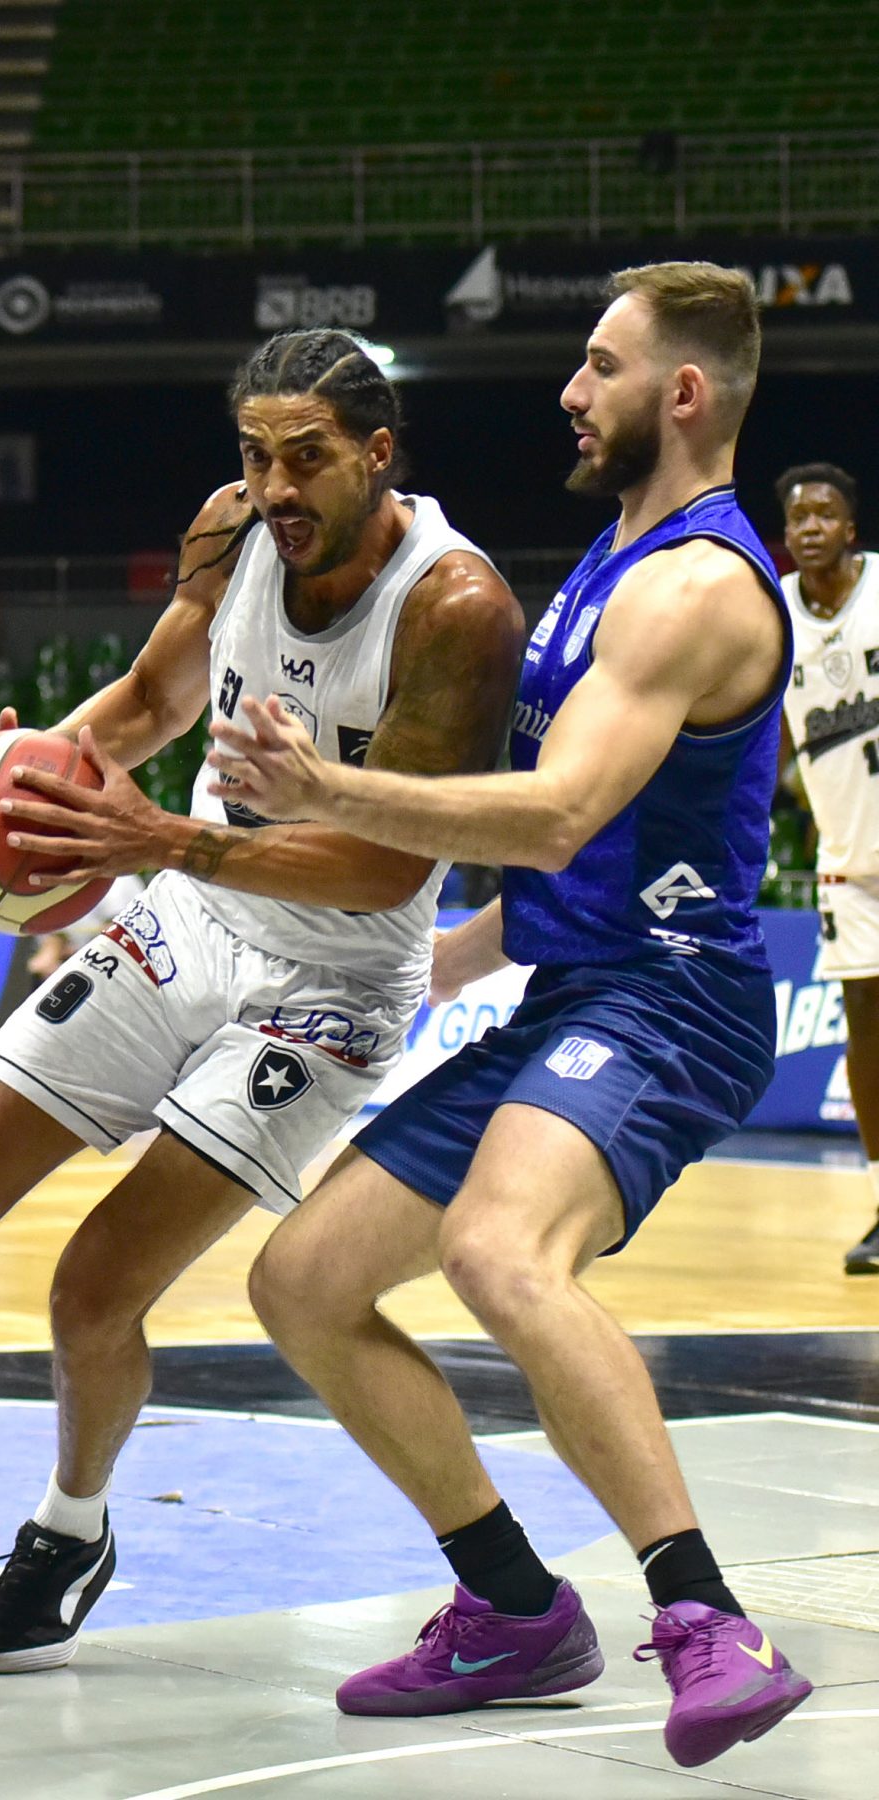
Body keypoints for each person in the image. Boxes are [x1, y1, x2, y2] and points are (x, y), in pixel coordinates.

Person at [0, 331, 523, 1676]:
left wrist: (158, 839)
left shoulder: (456, 607)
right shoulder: (230, 533)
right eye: (255, 454)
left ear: (377, 454)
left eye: (306, 457)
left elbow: (385, 868)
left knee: (91, 1290)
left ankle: (70, 1531)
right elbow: (148, 701)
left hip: (334, 981)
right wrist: (29, 787)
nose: (276, 485)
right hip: (188, 915)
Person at [210, 265, 812, 1772]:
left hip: (674, 999)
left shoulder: (693, 586)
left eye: (600, 365)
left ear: (683, 393)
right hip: (571, 986)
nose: (569, 391)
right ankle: (513, 1608)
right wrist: (452, 960)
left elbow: (555, 815)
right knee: (303, 1283)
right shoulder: (617, 555)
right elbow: (586, 861)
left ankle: (707, 1619)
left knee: (497, 1251)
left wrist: (328, 788)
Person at [775, 463, 879, 1275]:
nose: (810, 526)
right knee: (866, 1034)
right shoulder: (773, 611)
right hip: (850, 863)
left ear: (850, 528)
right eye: (798, 516)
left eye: (825, 514)